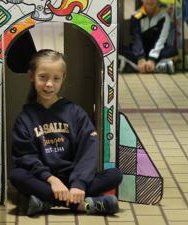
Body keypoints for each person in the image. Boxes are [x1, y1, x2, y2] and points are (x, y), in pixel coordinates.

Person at [9, 49, 122, 217]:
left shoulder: (75, 113)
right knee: (16, 175)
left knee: (115, 175)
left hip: (73, 177)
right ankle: (84, 205)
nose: (49, 84)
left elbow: (88, 151)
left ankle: (45, 202)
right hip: (45, 180)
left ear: (63, 79)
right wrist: (51, 180)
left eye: (56, 78)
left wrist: (79, 183)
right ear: (31, 76)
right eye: (43, 77)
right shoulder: (24, 119)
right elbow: (26, 157)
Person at [120, 0, 177, 74]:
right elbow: (136, 38)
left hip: (158, 51)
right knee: (119, 49)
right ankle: (157, 66)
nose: (150, 0)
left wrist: (152, 58)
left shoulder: (163, 16)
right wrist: (140, 58)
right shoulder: (136, 15)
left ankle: (138, 66)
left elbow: (161, 39)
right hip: (139, 51)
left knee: (173, 51)